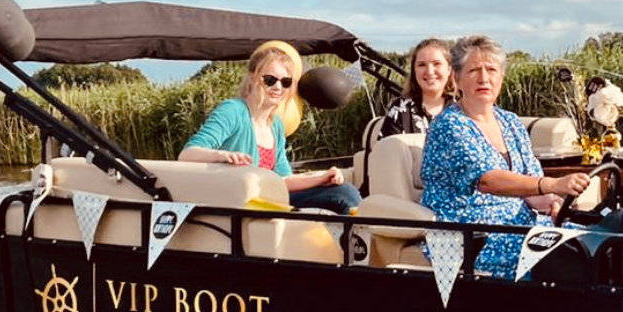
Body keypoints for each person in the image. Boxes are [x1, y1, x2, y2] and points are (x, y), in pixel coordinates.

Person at [419, 34, 592, 278]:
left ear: (501, 77)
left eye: (491, 69)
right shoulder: (449, 125)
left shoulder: (509, 121)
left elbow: (533, 189)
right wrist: (552, 184)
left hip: (521, 227)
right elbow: (488, 180)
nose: (484, 78)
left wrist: (553, 201)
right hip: (473, 236)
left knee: (599, 241)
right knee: (566, 257)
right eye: (473, 71)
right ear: (456, 79)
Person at [179, 43, 362, 213]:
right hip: (241, 201)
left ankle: (354, 242)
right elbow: (187, 155)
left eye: (286, 82)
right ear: (252, 78)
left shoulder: (275, 125)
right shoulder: (233, 111)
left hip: (269, 198)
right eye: (270, 80)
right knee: (343, 194)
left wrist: (323, 178)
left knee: (343, 190)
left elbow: (283, 179)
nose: (278, 87)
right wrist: (224, 156)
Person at [380, 37, 454, 137]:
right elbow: (386, 150)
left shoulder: (463, 112)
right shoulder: (400, 109)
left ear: (449, 70)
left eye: (437, 64)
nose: (429, 71)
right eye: (422, 65)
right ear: (414, 71)